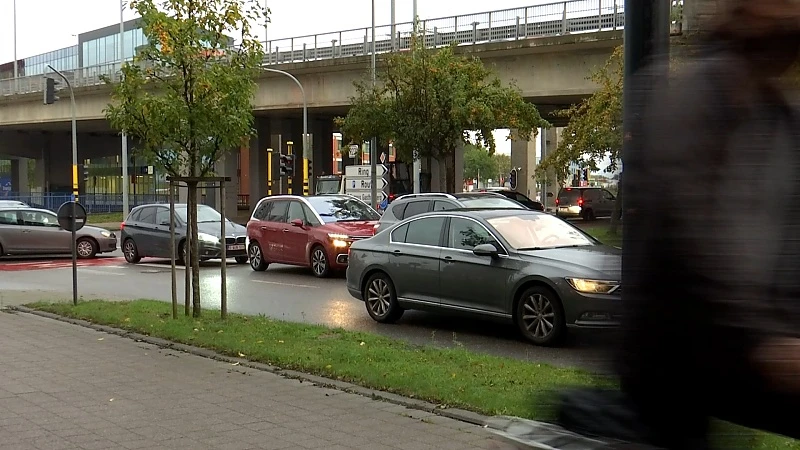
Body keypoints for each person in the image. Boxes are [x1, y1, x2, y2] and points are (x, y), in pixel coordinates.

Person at [618, 0, 800, 448]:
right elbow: (699, 237)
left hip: (744, 338)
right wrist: (765, 338)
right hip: (678, 345)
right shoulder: (690, 99)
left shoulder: (779, 115)